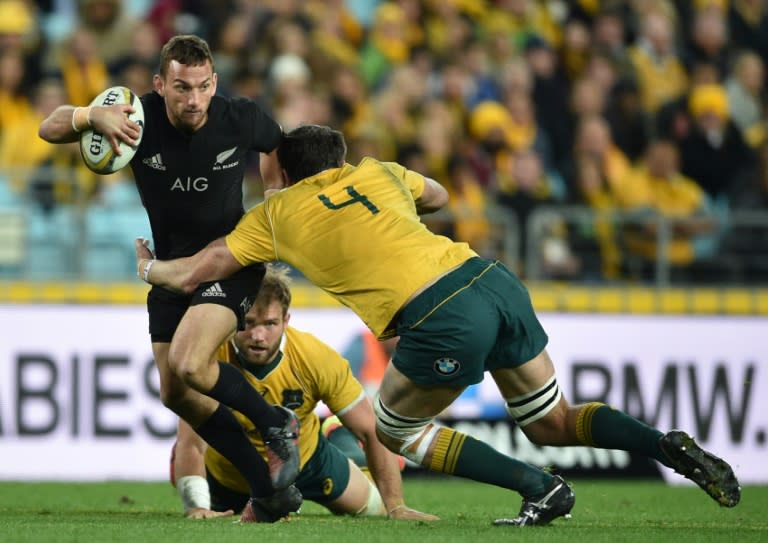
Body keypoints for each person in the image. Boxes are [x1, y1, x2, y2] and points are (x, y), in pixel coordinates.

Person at [135, 124, 741, 527]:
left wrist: (151, 267)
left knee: (396, 431)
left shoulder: (277, 213)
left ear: (287, 175)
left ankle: (541, 487)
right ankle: (663, 444)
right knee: (553, 422)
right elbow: (442, 194)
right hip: (489, 278)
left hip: (437, 314)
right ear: (341, 161)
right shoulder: (380, 171)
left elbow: (200, 270)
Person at [38, 34, 302, 522]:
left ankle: (274, 423)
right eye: (181, 87)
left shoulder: (238, 116)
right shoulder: (137, 119)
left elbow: (278, 147)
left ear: (214, 82)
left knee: (188, 363)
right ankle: (267, 489)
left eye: (203, 86)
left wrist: (272, 199)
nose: (194, 99)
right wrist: (90, 115)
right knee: (174, 392)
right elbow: (48, 128)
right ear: (160, 85)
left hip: (229, 264)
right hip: (171, 269)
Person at [169, 264, 437, 521]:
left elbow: (371, 431)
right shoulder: (206, 359)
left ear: (286, 320)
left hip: (308, 462)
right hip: (230, 475)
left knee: (375, 510)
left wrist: (396, 506)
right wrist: (196, 507)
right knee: (202, 502)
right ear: (234, 316)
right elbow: (190, 439)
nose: (258, 336)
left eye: (270, 323)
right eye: (249, 323)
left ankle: (342, 446)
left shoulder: (315, 358)